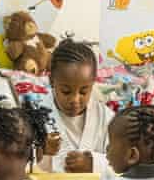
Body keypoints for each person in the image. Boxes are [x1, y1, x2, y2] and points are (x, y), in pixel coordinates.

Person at [38, 39, 112, 173]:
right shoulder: (36, 115)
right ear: (52, 81)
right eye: (66, 91)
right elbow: (17, 160)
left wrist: (93, 163)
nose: (75, 99)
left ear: (93, 83)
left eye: (84, 91)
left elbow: (124, 162)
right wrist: (41, 152)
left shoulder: (106, 118)